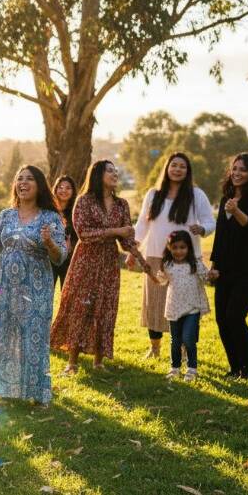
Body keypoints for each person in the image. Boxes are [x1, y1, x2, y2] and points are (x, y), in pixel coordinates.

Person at [0, 166, 67, 404]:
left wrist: (49, 243)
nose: (23, 182)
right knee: (4, 334)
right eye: (19, 178)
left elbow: (60, 256)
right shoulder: (6, 215)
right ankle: (5, 389)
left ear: (39, 185)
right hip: (3, 286)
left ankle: (37, 392)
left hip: (35, 288)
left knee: (33, 336)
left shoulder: (50, 218)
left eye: (29, 179)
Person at [50, 160, 154, 373]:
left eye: (116, 171)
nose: (115, 174)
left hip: (108, 262)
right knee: (81, 307)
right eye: (110, 171)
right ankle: (72, 362)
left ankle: (99, 362)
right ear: (97, 174)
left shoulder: (122, 204)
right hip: (85, 261)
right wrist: (115, 231)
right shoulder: (84, 201)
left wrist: (143, 262)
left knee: (105, 309)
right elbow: (84, 234)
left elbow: (126, 239)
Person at [128, 153, 215, 359]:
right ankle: (155, 347)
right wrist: (134, 248)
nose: (177, 169)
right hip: (156, 257)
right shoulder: (153, 194)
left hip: (187, 259)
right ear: (167, 168)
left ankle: (185, 349)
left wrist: (202, 229)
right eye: (174, 165)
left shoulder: (196, 195)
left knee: (186, 304)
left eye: (182, 167)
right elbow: (142, 224)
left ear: (188, 171)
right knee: (155, 305)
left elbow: (210, 222)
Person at [210, 153, 248, 380]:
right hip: (225, 268)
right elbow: (221, 236)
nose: (237, 173)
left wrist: (236, 211)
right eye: (234, 169)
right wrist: (214, 265)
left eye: (243, 170)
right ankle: (234, 368)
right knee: (222, 319)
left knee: (235, 316)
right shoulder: (227, 197)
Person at [154, 231, 212, 382]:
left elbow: (206, 277)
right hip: (174, 307)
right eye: (175, 247)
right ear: (169, 248)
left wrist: (212, 275)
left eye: (182, 247)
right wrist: (153, 274)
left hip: (192, 307)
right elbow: (161, 281)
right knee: (176, 340)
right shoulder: (168, 265)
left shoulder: (195, 264)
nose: (179, 251)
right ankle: (175, 368)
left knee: (188, 338)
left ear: (189, 248)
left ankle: (192, 368)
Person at [51, 175, 78, 291]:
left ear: (73, 191)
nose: (64, 191)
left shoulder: (76, 211)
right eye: (60, 187)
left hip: (69, 260)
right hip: (49, 259)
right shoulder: (48, 211)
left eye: (68, 188)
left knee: (67, 296)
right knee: (46, 295)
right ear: (55, 189)